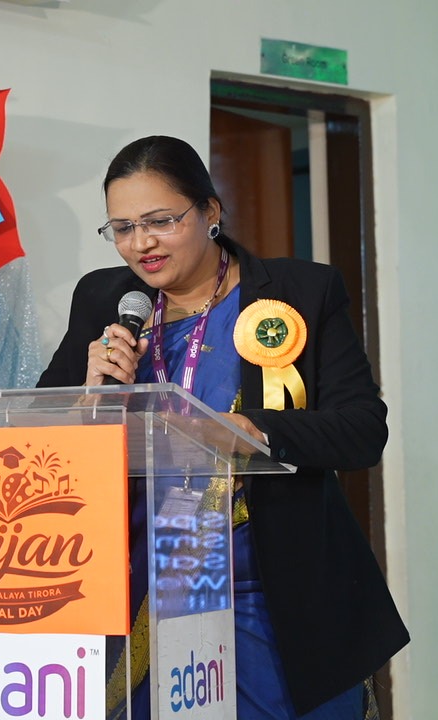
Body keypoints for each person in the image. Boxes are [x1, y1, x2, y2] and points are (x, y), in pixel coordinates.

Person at [37, 135, 408, 719]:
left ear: (210, 211)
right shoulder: (105, 298)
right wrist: (89, 390)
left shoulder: (298, 294)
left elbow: (362, 430)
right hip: (136, 586)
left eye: (161, 221)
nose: (142, 243)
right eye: (123, 228)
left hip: (268, 592)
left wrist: (249, 431)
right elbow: (39, 437)